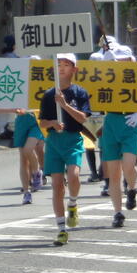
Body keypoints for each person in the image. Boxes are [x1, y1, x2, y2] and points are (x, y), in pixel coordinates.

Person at [39, 54, 91, 246]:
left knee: (74, 175)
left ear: (74, 69)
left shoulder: (80, 92)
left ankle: (73, 203)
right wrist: (52, 123)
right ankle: (61, 229)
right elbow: (42, 122)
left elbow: (83, 118)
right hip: (54, 141)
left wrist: (64, 104)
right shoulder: (48, 94)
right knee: (57, 185)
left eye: (66, 65)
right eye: (59, 64)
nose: (61, 68)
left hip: (73, 139)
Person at [98, 46, 137, 227]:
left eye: (124, 59)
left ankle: (132, 188)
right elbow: (94, 86)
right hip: (111, 122)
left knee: (128, 166)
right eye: (117, 59)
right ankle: (117, 212)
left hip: (130, 122)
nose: (121, 62)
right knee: (113, 173)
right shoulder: (108, 75)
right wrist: (106, 62)